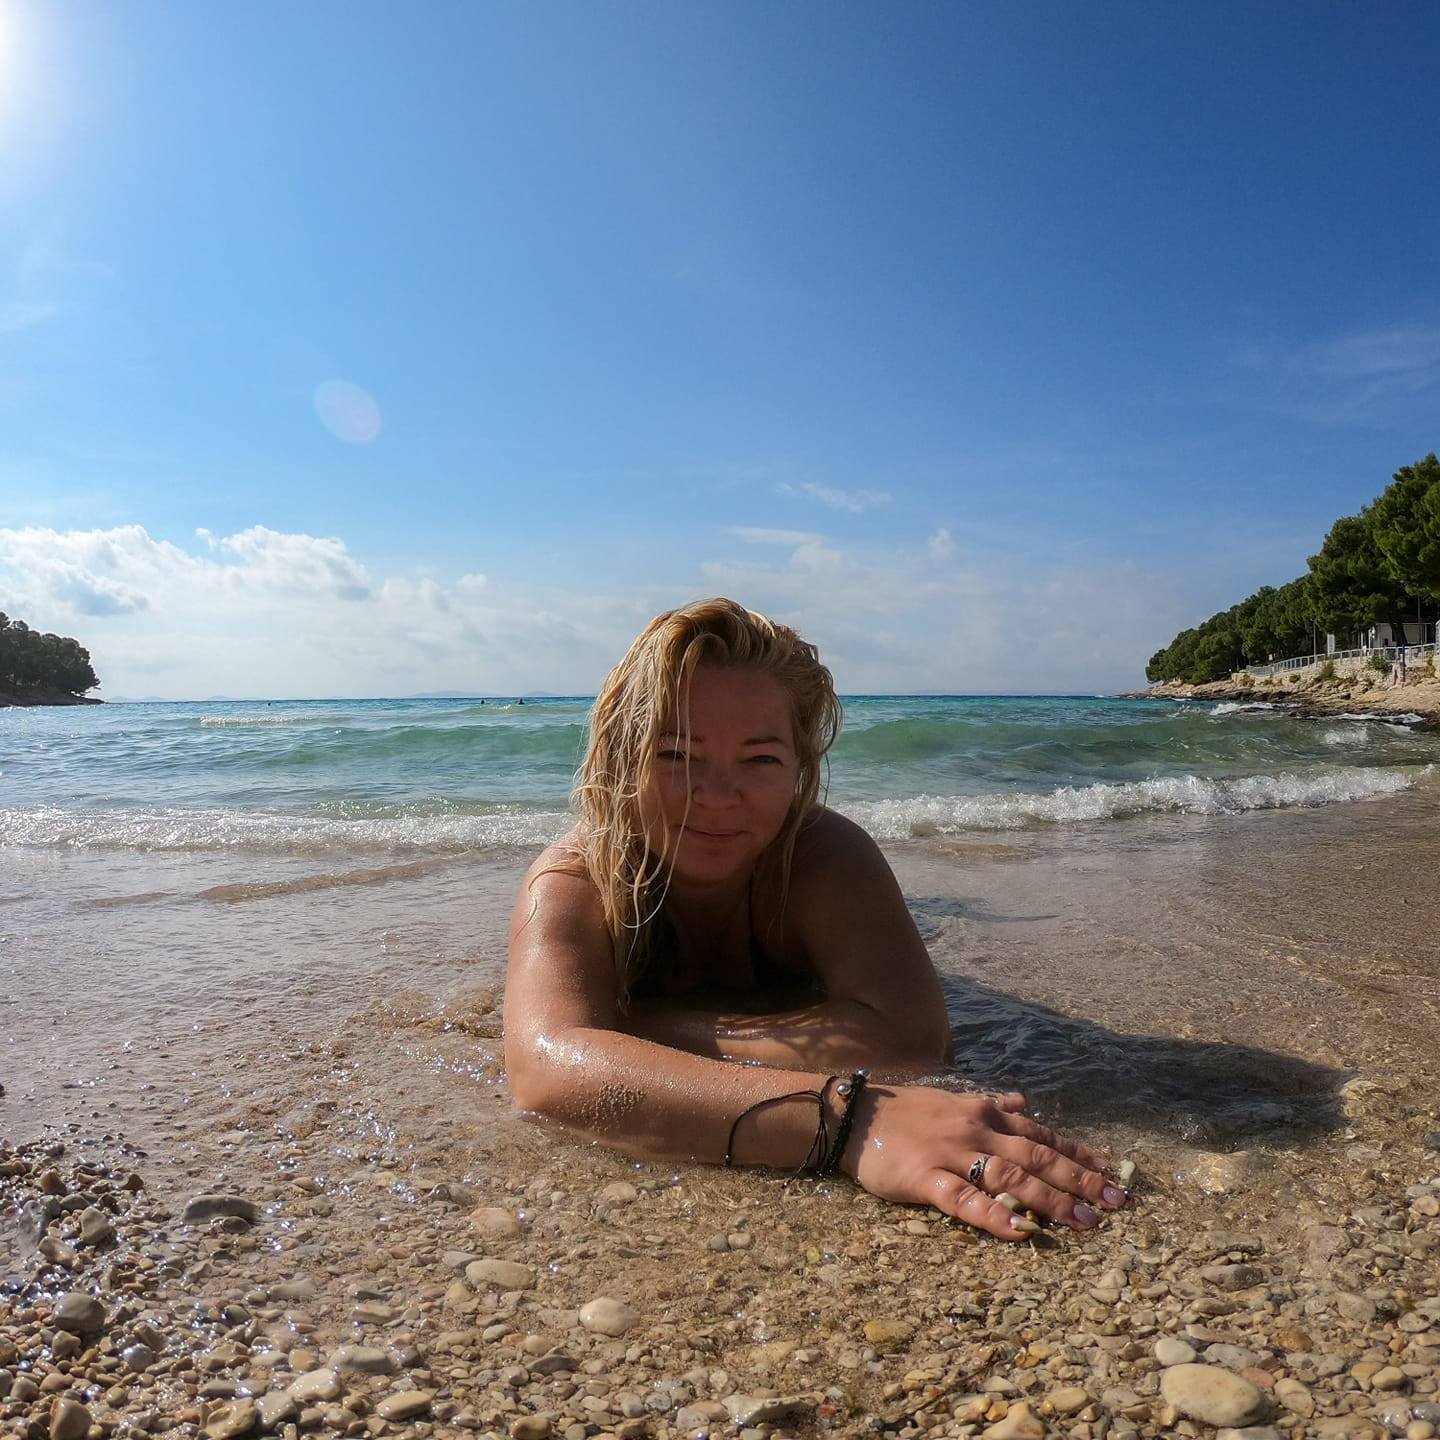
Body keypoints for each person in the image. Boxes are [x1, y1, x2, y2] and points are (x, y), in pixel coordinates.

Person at [504, 598, 1126, 1240]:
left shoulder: (823, 857)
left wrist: (637, 1029)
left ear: (802, 770)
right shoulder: (575, 878)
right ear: (617, 759)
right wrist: (852, 1121)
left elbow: (909, 1040)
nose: (716, 796)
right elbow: (545, 1074)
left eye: (760, 759)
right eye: (674, 755)